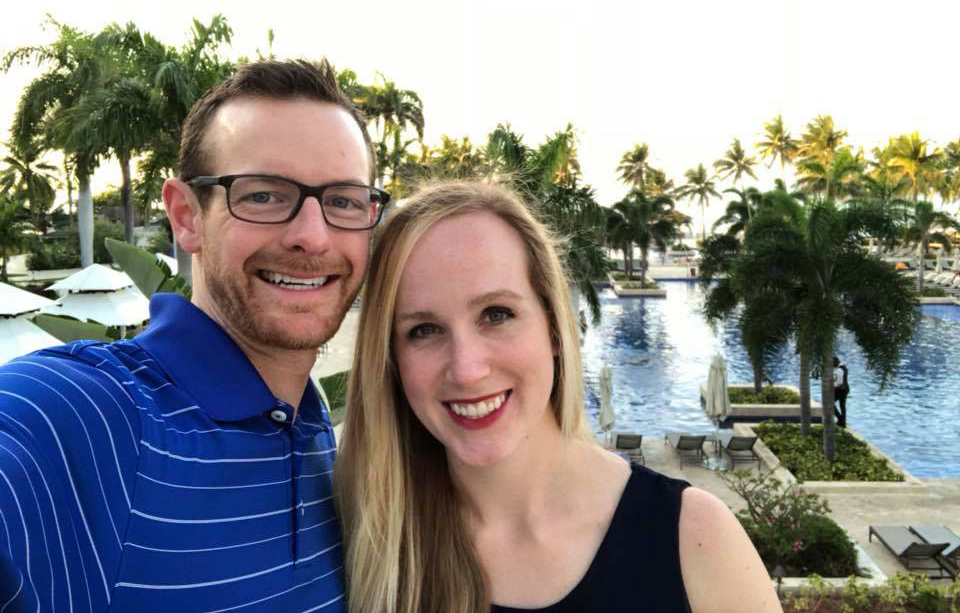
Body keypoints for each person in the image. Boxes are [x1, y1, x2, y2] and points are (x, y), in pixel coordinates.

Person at [0, 60, 386, 612]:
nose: (312, 236)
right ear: (186, 216)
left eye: (344, 201)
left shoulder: (313, 425)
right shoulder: (89, 416)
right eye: (263, 195)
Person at [335, 180, 781, 613]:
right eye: (424, 330)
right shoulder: (366, 545)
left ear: (553, 325)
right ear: (390, 360)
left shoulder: (695, 538)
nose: (468, 370)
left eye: (496, 314)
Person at [833, 356, 850, 428]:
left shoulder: (839, 370)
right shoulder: (844, 367)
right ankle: (843, 423)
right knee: (842, 406)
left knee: (829, 403)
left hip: (840, 389)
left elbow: (838, 383)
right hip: (846, 389)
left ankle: (840, 419)